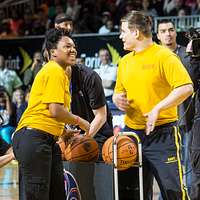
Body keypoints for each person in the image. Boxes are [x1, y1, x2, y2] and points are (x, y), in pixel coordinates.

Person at [113, 10, 193, 199]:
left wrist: (158, 108)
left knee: (173, 192)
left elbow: (186, 87)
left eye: (123, 31)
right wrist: (117, 98)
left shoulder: (163, 56)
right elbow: (118, 91)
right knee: (133, 193)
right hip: (132, 135)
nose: (120, 36)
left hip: (162, 135)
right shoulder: (124, 62)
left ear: (136, 32)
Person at [12, 29, 90, 200]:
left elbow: (45, 110)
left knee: (57, 195)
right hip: (33, 138)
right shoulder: (54, 70)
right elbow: (55, 110)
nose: (73, 49)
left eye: (74, 46)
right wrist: (81, 122)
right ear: (53, 51)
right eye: (67, 46)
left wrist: (63, 132)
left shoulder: (56, 71)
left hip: (44, 139)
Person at [157, 19, 192, 192]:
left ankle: (190, 193)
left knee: (189, 161)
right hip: (164, 121)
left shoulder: (188, 54)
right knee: (168, 166)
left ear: (175, 32)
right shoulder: (154, 56)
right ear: (157, 35)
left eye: (170, 30)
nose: (168, 34)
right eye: (163, 31)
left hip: (187, 117)